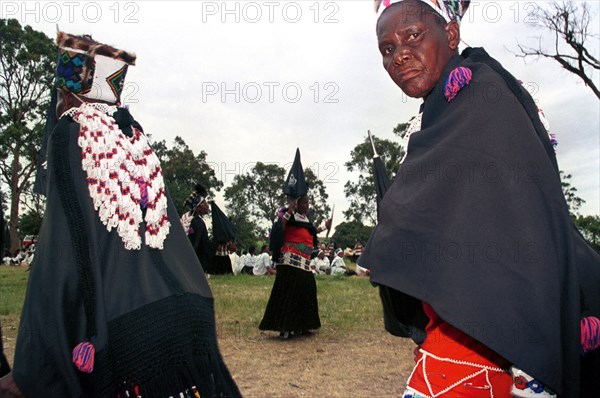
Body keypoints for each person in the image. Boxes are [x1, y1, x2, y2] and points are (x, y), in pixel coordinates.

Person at [360, 1, 600, 397]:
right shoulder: (440, 110)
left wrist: (391, 239)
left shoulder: (479, 94)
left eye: (413, 36)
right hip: (473, 321)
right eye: (387, 49)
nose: (399, 54)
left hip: (486, 328)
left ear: (451, 34)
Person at [10, 31, 240, 397]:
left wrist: (32, 364)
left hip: (128, 335)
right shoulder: (134, 137)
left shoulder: (70, 134)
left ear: (67, 95)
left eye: (56, 97)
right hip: (188, 310)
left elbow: (63, 258)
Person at [259, 149, 331, 339]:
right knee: (289, 294)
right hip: (289, 262)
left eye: (308, 202)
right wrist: (288, 211)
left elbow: (311, 233)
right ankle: (285, 327)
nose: (307, 205)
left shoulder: (305, 219)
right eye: (304, 202)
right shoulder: (286, 215)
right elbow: (278, 230)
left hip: (305, 263)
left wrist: (325, 226)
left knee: (307, 290)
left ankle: (303, 325)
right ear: (297, 202)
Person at [181, 183, 215, 273]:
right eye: (204, 203)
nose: (207, 206)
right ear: (198, 207)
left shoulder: (184, 219)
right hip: (196, 263)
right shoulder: (199, 223)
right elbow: (201, 244)